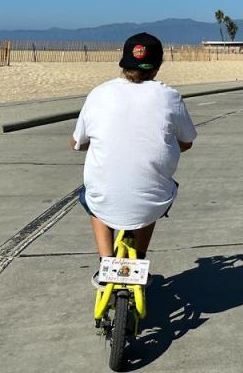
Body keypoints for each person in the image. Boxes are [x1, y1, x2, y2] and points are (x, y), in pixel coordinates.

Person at [71, 32, 197, 288]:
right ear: (158, 64)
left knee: (92, 198)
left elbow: (77, 142)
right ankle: (137, 260)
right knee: (153, 193)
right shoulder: (170, 96)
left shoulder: (99, 93)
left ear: (124, 61)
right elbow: (187, 142)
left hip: (106, 197)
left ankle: (106, 263)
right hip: (151, 200)